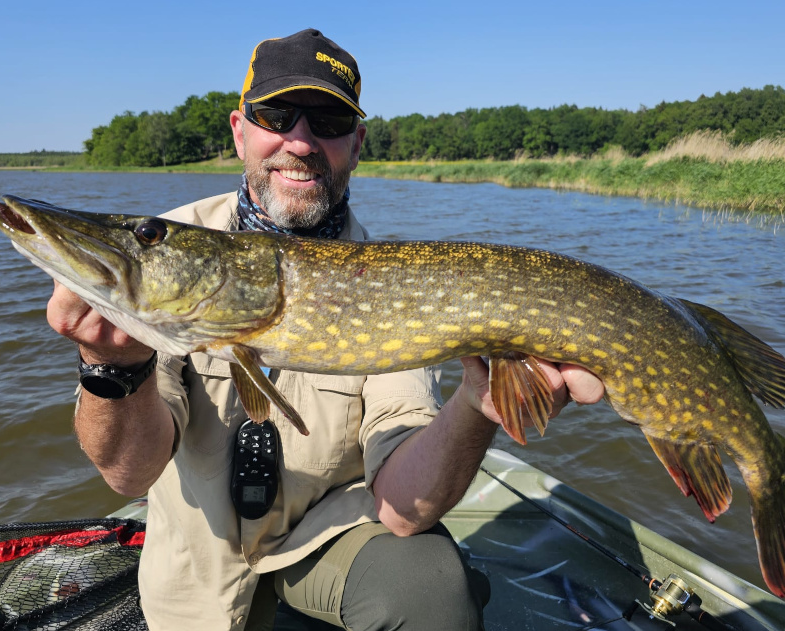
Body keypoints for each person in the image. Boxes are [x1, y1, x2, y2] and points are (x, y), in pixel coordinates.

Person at [47, 29, 605, 631]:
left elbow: (402, 513)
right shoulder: (174, 241)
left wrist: (478, 404)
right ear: (240, 131)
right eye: (276, 114)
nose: (300, 140)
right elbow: (127, 474)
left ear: (356, 143)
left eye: (329, 120)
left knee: (433, 586)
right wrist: (113, 369)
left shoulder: (400, 284)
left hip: (325, 541)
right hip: (198, 571)